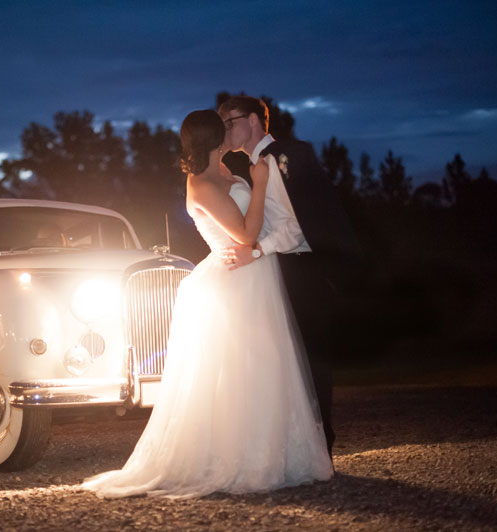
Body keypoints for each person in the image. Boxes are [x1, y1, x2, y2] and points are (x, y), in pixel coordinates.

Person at [81, 110, 333, 499]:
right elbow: (247, 235)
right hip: (233, 279)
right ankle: (242, 459)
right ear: (215, 139)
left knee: (267, 366)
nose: (229, 131)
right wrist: (261, 185)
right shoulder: (200, 184)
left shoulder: (225, 171)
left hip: (256, 276)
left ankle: (279, 454)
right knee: (237, 373)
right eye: (224, 128)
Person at [217, 95, 363, 457]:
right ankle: (299, 446)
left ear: (253, 120)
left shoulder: (279, 159)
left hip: (304, 269)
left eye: (229, 122)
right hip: (282, 269)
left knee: (310, 360)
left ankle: (320, 445)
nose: (225, 131)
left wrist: (256, 252)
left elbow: (297, 227)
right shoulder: (257, 165)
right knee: (288, 362)